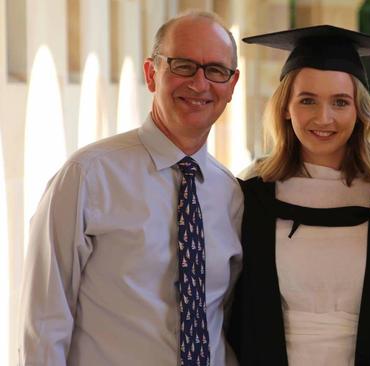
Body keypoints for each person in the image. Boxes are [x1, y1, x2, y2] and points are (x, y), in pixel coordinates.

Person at [19, 10, 242, 366]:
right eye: (183, 65)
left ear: (231, 85)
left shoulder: (231, 195)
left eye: (215, 70)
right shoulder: (88, 176)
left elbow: (223, 321)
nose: (199, 84)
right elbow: (45, 322)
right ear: (152, 74)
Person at [227, 25, 370, 365]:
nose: (324, 117)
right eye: (307, 101)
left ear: (359, 111)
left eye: (340, 102)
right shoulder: (251, 195)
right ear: (285, 107)